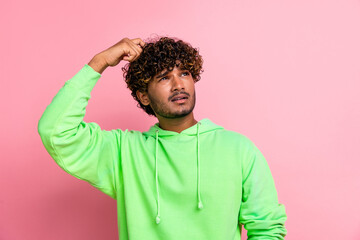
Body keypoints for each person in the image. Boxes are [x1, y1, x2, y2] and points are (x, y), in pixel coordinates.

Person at [38, 36, 287, 239]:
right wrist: (99, 61)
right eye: (164, 77)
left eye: (185, 73)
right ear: (144, 96)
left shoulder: (238, 149)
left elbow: (267, 228)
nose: (178, 85)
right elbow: (55, 131)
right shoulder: (123, 152)